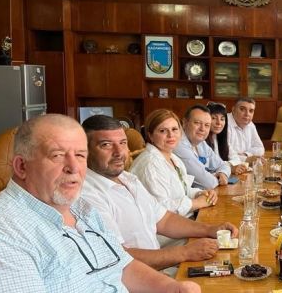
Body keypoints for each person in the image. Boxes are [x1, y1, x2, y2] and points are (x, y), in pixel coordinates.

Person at [0, 114, 199, 292]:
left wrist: (172, 288)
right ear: (22, 166)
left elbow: (122, 266)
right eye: (57, 155)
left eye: (80, 155)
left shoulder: (82, 208)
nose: (74, 167)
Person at [81, 115, 237, 272]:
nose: (118, 152)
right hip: (136, 278)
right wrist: (184, 253)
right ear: (84, 150)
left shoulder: (128, 179)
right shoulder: (87, 196)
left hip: (158, 267)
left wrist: (210, 230)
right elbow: (116, 258)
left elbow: (163, 219)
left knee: (232, 263)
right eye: (106, 145)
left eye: (122, 143)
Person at [130, 109, 217, 218]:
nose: (171, 135)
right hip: (166, 227)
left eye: (174, 129)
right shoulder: (150, 164)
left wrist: (200, 193)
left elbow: (183, 191)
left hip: (183, 219)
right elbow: (162, 210)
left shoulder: (173, 158)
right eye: (163, 131)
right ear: (150, 135)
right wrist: (197, 203)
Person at [175, 105, 231, 189]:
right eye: (197, 123)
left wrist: (223, 173)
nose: (202, 129)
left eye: (207, 125)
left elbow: (224, 165)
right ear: (185, 123)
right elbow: (208, 183)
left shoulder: (201, 143)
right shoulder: (178, 145)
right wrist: (216, 178)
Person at [226, 97, 265, 172]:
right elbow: (226, 155)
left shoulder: (250, 124)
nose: (247, 114)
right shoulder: (224, 124)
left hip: (242, 168)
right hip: (229, 170)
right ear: (233, 110)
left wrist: (245, 155)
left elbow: (260, 148)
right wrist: (247, 159)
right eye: (242, 109)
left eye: (251, 111)